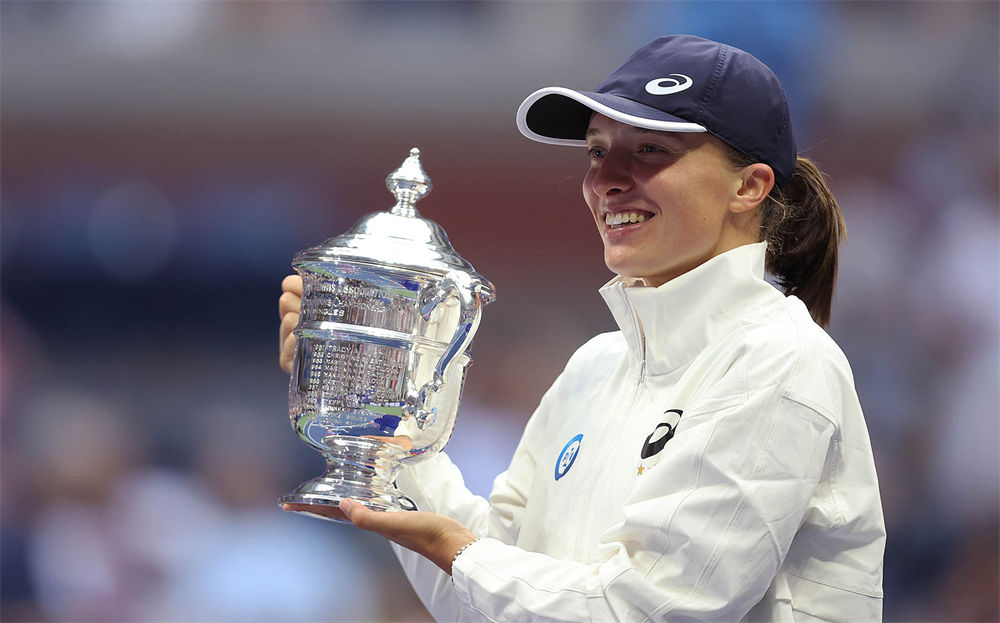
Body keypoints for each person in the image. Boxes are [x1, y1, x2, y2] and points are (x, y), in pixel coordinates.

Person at [278, 35, 885, 622]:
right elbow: (490, 599)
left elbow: (651, 609)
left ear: (748, 187)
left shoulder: (782, 358)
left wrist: (453, 548)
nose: (606, 179)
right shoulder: (595, 366)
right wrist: (379, 416)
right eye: (597, 151)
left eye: (650, 150)